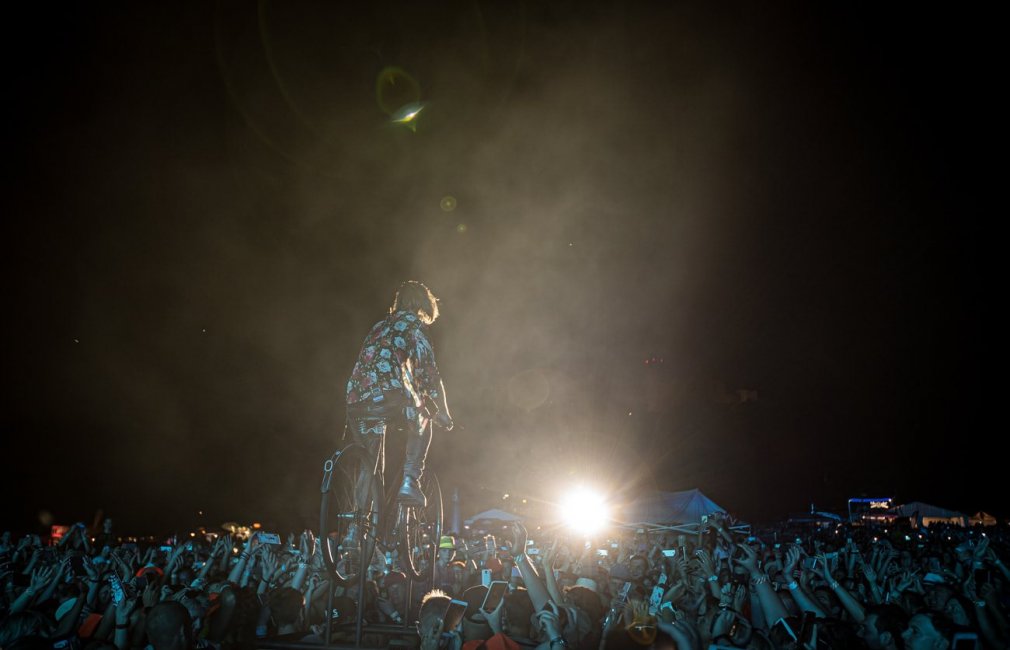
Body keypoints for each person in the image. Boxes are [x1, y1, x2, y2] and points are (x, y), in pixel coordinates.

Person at [345, 280, 454, 510]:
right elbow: (430, 377)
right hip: (388, 398)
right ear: (424, 304)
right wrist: (442, 413)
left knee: (370, 465)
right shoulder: (414, 327)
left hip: (357, 399)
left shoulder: (380, 325)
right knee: (424, 417)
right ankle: (410, 480)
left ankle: (357, 533)